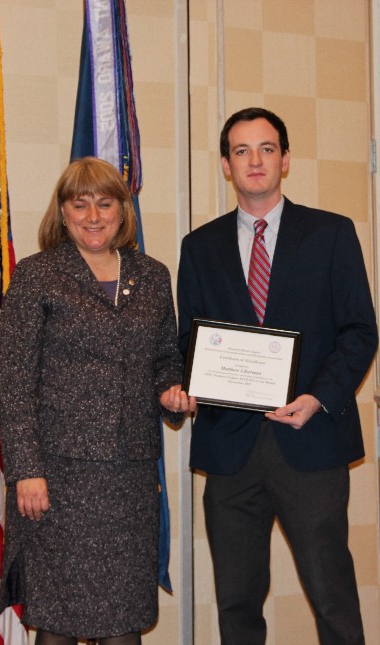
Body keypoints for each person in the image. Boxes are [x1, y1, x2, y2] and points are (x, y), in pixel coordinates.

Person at [177, 107, 378, 644]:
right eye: (241, 151)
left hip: (310, 442)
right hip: (230, 450)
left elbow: (361, 331)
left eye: (267, 148)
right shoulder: (199, 247)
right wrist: (183, 386)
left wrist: (319, 397)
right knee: (237, 605)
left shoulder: (332, 234)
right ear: (226, 165)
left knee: (333, 599)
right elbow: (189, 342)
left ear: (285, 160)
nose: (255, 160)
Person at [0, 157, 194, 645]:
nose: (93, 215)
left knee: (123, 625)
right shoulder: (38, 275)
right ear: (62, 213)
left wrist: (172, 390)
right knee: (59, 626)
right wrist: (27, 470)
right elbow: (13, 379)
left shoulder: (151, 275)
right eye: (79, 204)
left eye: (105, 203)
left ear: (123, 211)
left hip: (129, 478)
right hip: (57, 479)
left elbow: (165, 357)